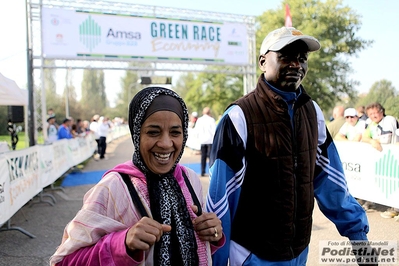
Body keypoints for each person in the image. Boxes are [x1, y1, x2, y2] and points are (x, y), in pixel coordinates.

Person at [206, 26, 374, 266]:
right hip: (254, 255)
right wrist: (218, 261)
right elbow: (219, 199)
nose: (296, 65)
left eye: (302, 58)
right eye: (286, 56)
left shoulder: (312, 112)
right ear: (263, 61)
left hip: (298, 252)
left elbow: (332, 182)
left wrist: (359, 239)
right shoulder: (239, 116)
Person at [50, 86, 225, 266]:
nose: (166, 143)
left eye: (175, 132)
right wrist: (122, 244)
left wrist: (213, 234)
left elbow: (191, 249)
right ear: (136, 134)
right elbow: (65, 261)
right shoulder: (113, 187)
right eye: (153, 132)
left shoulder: (190, 179)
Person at [361, 102, 399, 219]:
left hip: (394, 156)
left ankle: (395, 208)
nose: (373, 116)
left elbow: (390, 137)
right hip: (383, 158)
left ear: (381, 111)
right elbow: (364, 137)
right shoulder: (371, 124)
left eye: (375, 113)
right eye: (370, 114)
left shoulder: (390, 120)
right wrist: (372, 141)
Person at [193, 107, 216, 176]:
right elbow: (214, 131)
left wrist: (197, 139)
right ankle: (211, 171)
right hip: (210, 140)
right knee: (210, 157)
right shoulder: (211, 120)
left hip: (202, 140)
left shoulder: (199, 120)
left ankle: (202, 171)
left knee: (203, 157)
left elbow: (196, 130)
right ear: (209, 112)